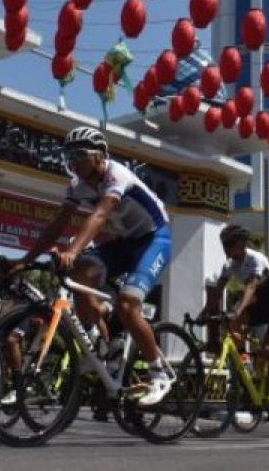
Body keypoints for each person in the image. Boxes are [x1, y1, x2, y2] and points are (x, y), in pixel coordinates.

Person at [13, 127, 173, 406]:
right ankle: (103, 345)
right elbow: (57, 225)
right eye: (69, 155)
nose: (73, 161)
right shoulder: (78, 185)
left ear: (100, 156)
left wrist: (72, 250)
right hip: (126, 241)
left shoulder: (117, 175)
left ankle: (158, 372)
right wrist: (25, 260)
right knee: (79, 276)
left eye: (79, 155)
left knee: (126, 304)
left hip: (155, 239)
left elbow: (99, 216)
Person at [200, 225, 269, 412]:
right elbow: (217, 292)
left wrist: (237, 311)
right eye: (224, 245)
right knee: (230, 327)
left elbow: (251, 288)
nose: (226, 249)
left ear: (241, 244)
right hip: (258, 303)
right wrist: (204, 314)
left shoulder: (255, 259)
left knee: (268, 348)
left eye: (230, 245)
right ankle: (247, 368)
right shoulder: (230, 265)